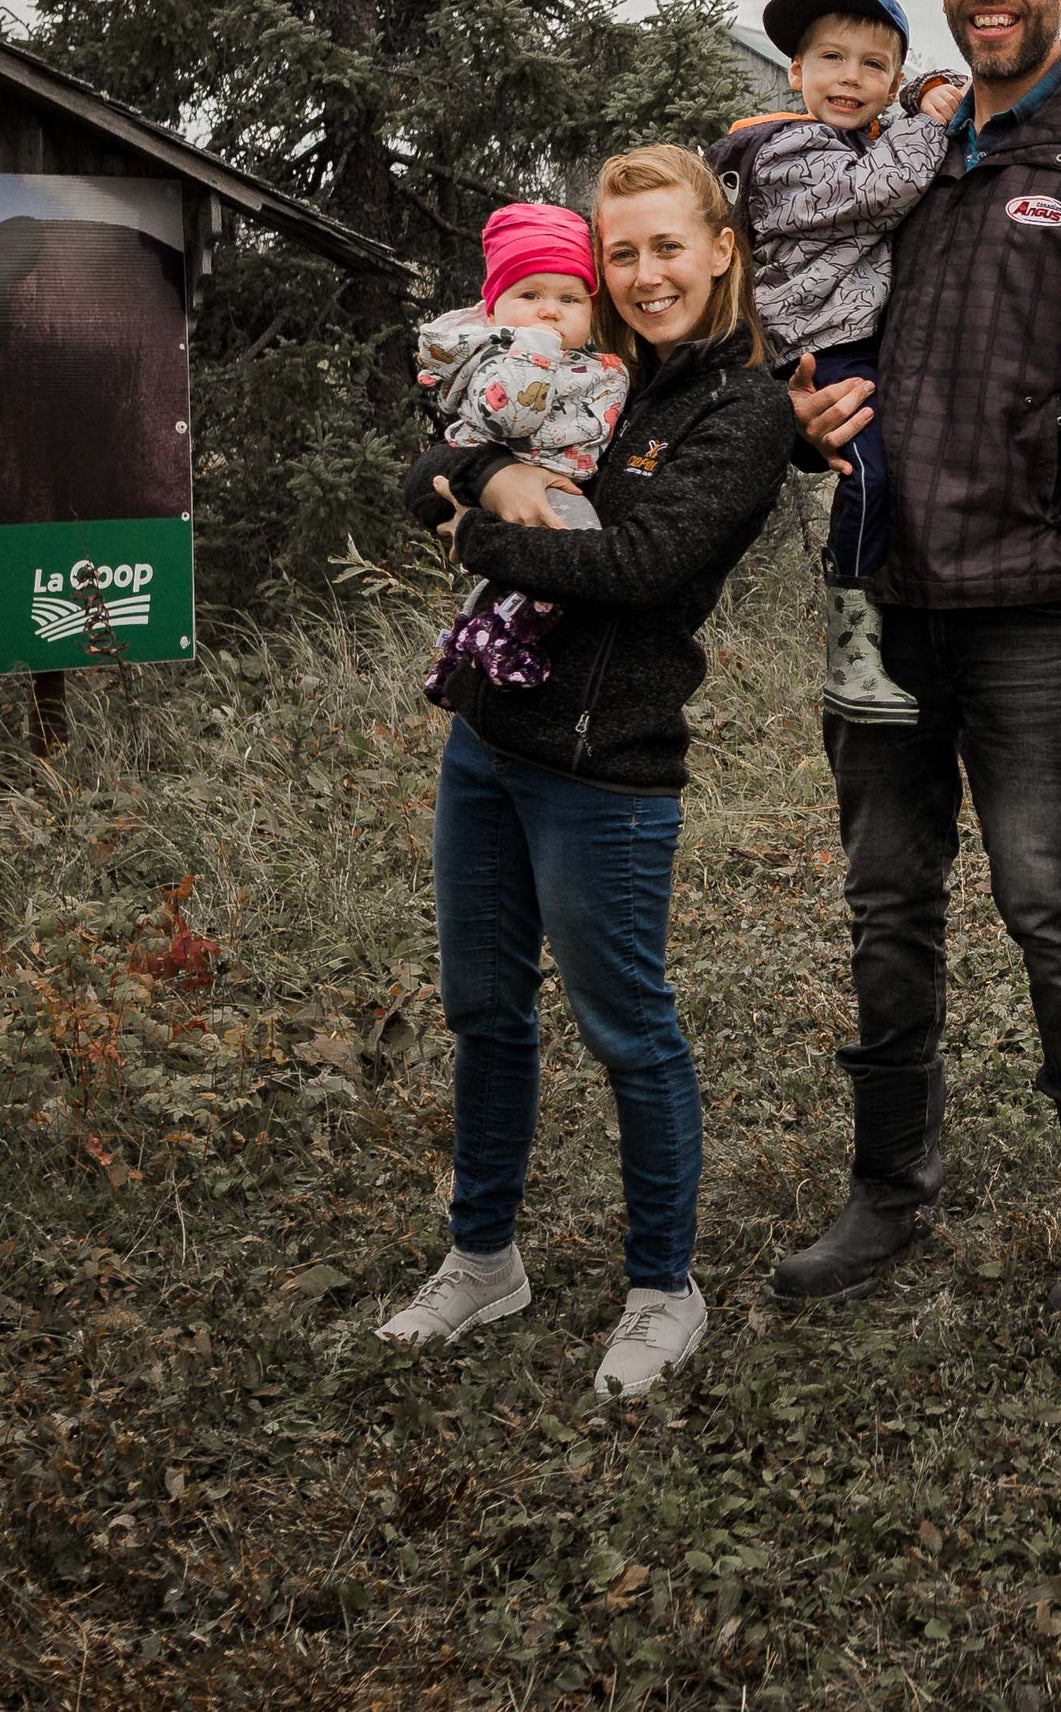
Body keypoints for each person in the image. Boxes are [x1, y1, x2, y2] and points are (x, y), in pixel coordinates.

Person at [768, 0, 1061, 1342]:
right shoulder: (900, 138)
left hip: (1030, 597)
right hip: (880, 586)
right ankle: (889, 1186)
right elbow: (768, 287)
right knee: (888, 901)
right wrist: (789, 403)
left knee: (1049, 900)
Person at [378, 148, 793, 1398]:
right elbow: (426, 466)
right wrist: (490, 478)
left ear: (721, 247)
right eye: (622, 251)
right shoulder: (576, 368)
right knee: (484, 1011)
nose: (645, 272)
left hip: (607, 765)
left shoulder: (742, 410)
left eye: (669, 245)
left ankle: (665, 1286)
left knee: (629, 1029)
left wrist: (479, 517)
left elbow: (641, 568)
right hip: (490, 739)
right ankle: (483, 1257)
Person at [703, 0, 963, 725]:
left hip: (851, 336)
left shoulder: (854, 133)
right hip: (817, 344)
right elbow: (878, 190)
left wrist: (926, 92)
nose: (850, 78)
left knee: (889, 469)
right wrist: (929, 115)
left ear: (892, 80)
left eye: (873, 66)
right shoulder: (786, 149)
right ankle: (850, 648)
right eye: (831, 59)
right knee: (869, 474)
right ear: (796, 71)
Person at [411, 202, 632, 692]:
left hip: (554, 477)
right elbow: (513, 414)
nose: (550, 310)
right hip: (531, 479)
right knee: (577, 553)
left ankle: (463, 641)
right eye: (530, 294)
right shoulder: (502, 356)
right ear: (493, 310)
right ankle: (508, 635)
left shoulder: (587, 362)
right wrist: (535, 348)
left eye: (570, 299)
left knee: (517, 579)